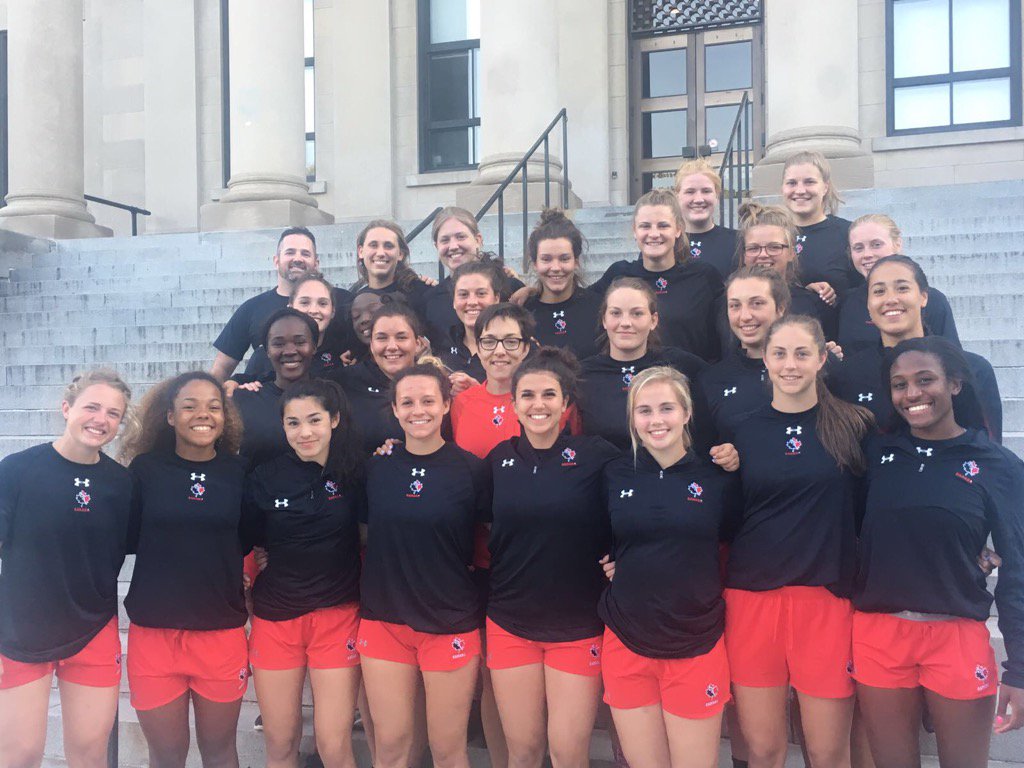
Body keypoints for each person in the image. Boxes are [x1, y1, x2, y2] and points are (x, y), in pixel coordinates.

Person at [854, 337, 1024, 766]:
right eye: (899, 384)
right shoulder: (875, 454)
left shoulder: (997, 465)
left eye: (925, 379)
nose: (911, 393)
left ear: (955, 384)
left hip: (957, 635)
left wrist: (1020, 668)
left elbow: (1017, 568)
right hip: (879, 633)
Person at [726, 315, 874, 768]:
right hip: (752, 600)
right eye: (780, 354)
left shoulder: (853, 425)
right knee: (764, 750)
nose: (790, 365)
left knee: (828, 752)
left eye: (802, 353)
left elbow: (872, 512)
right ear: (765, 361)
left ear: (822, 359)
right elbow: (727, 516)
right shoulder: (741, 430)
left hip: (826, 600)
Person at [599, 366, 740, 768]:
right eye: (644, 411)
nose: (656, 420)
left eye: (666, 408)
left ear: (686, 412)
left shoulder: (716, 476)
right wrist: (609, 562)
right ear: (632, 419)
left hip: (695, 640)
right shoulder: (613, 473)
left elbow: (734, 540)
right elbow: (597, 536)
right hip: (627, 638)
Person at [485, 349, 620, 768]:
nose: (537, 404)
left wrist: (624, 558)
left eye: (549, 395)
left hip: (577, 625)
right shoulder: (497, 461)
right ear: (514, 404)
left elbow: (641, 505)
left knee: (567, 752)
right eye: (527, 395)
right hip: (510, 622)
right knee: (523, 751)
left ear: (566, 404)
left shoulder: (597, 457)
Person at [0, 369, 136, 768]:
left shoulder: (122, 484)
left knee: (89, 754)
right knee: (20, 754)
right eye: (91, 407)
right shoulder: (17, 470)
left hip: (92, 629)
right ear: (66, 408)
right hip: (22, 631)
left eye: (113, 413)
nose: (101, 419)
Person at [358, 364, 490, 768]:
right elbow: (361, 535)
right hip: (384, 620)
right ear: (395, 410)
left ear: (446, 405)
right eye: (408, 402)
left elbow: (491, 540)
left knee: (448, 748)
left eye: (429, 401)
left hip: (448, 619)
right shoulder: (376, 467)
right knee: (392, 745)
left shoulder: (471, 469)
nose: (419, 410)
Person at [119, 372, 248, 768]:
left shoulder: (239, 472)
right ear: (171, 416)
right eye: (189, 406)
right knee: (167, 755)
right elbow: (124, 537)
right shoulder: (145, 470)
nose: (203, 414)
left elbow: (252, 539)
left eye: (214, 405)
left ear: (225, 416)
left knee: (220, 752)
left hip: (220, 634)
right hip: (155, 635)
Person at [243, 379, 366, 768]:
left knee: (333, 745)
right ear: (283, 427)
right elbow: (247, 541)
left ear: (334, 420)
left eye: (314, 419)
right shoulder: (264, 476)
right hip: (276, 619)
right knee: (280, 744)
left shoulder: (357, 472)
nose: (305, 432)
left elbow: (370, 533)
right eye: (293, 423)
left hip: (337, 616)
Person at [829, 255, 1002, 442]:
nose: (891, 299)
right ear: (868, 305)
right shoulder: (847, 375)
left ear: (923, 297)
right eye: (879, 291)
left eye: (902, 288)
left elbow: (990, 452)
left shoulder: (972, 369)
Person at [577, 278, 712, 453]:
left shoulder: (683, 366)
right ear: (604, 320)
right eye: (616, 313)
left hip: (666, 476)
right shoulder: (582, 374)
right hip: (606, 477)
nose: (625, 323)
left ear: (653, 320)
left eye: (637, 313)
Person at [589, 189, 723, 362]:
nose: (653, 234)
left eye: (663, 225)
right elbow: (581, 305)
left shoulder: (704, 277)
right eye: (645, 226)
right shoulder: (619, 275)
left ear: (678, 229)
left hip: (691, 381)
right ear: (634, 231)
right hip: (635, 383)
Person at [211, 227, 335, 382]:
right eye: (290, 252)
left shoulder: (336, 300)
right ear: (276, 261)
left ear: (316, 263)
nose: (298, 258)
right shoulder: (252, 309)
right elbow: (222, 368)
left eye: (305, 253)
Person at [838, 214, 960, 353]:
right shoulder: (848, 302)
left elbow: (953, 360)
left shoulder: (932, 300)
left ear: (897, 244)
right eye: (858, 248)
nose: (867, 254)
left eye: (876, 245)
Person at [700, 266, 790, 440]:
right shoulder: (711, 380)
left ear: (780, 308)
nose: (745, 316)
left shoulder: (813, 368)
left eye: (756, 303)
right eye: (735, 306)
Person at [421, 207, 525, 346]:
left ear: (478, 240)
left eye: (460, 237)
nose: (453, 246)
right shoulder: (430, 299)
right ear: (436, 246)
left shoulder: (511, 287)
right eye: (445, 240)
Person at [337, 302, 429, 455]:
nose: (392, 346)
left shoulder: (435, 384)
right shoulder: (345, 382)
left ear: (418, 343)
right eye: (382, 338)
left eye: (401, 337)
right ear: (371, 345)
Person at [735, 202, 837, 340]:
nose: (763, 254)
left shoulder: (813, 304)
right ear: (743, 255)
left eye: (774, 247)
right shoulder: (727, 305)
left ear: (791, 252)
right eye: (754, 248)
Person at [233, 308, 319, 468]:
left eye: (300, 342)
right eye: (278, 344)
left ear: (314, 347)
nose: (290, 351)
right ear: (267, 351)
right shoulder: (244, 400)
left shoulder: (331, 396)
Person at [521, 209, 602, 360]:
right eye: (546, 259)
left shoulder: (599, 308)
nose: (556, 268)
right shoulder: (523, 313)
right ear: (534, 264)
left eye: (564, 259)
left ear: (576, 262)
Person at [242, 274, 349, 381]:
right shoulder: (265, 355)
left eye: (322, 303)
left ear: (333, 311)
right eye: (304, 302)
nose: (314, 310)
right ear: (291, 307)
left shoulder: (343, 351)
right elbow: (245, 386)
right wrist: (237, 382)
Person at [781, 151, 855, 293]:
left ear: (825, 187)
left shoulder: (847, 233)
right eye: (792, 183)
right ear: (783, 188)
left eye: (809, 182)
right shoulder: (772, 234)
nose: (800, 190)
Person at [439, 260, 503, 388]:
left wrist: (476, 393)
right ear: (453, 301)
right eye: (463, 294)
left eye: (481, 294)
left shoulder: (515, 345)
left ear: (496, 299)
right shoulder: (444, 343)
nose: (472, 302)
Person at [674, 159, 738, 280]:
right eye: (690, 192)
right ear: (677, 197)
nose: (698, 199)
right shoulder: (664, 243)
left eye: (706, 191)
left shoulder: (737, 242)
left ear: (717, 196)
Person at [351, 220, 430, 308]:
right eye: (373, 245)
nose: (380, 253)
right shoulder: (356, 302)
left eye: (389, 246)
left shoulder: (423, 293)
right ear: (360, 252)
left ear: (400, 254)